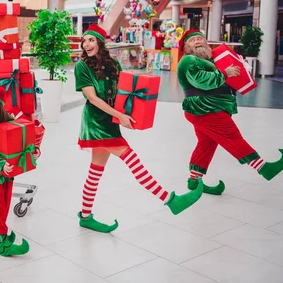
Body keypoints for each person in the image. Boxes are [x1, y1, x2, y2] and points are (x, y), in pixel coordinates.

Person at [75, 24, 203, 233]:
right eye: (84, 40)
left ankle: (86, 216)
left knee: (95, 171)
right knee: (132, 160)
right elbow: (92, 98)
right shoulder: (82, 67)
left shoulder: (113, 64)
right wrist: (120, 116)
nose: (86, 44)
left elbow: (125, 92)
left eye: (91, 40)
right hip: (96, 122)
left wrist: (132, 114)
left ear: (100, 42)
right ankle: (170, 200)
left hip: (110, 120)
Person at [178, 29, 283, 194]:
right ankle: (264, 168)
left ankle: (194, 181)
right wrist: (224, 73)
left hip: (206, 108)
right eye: (193, 40)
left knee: (207, 143)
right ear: (185, 48)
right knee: (232, 136)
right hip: (205, 108)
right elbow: (202, 81)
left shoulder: (208, 60)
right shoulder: (189, 60)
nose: (198, 41)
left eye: (201, 38)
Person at [0, 84, 40, 257]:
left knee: (4, 204)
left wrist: (31, 150)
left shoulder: (8, 118)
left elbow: (17, 140)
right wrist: (0, 164)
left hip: (9, 170)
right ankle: (2, 243)